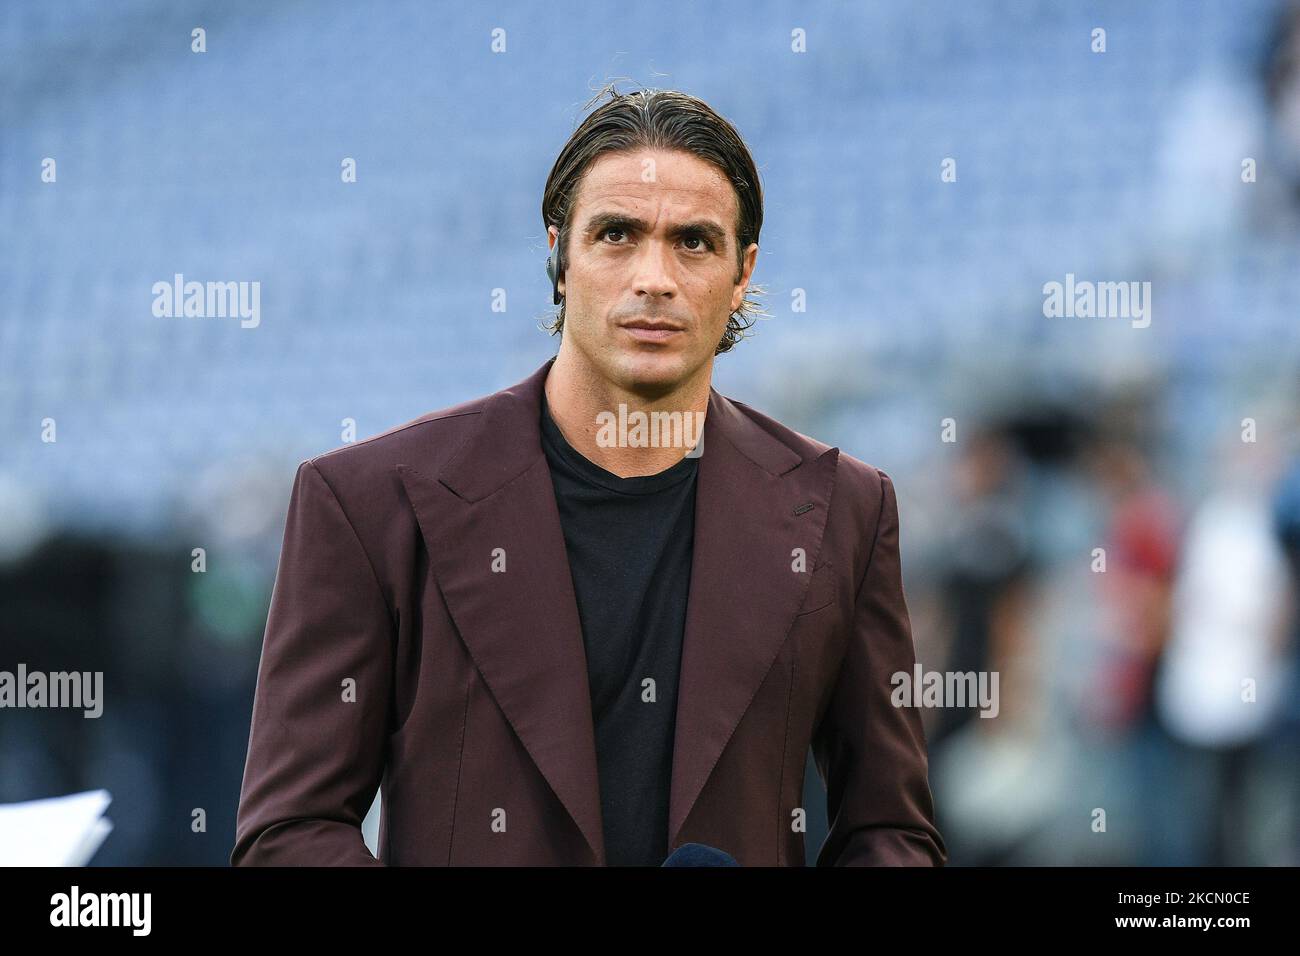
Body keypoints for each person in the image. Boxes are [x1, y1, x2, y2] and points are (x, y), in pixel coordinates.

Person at [230, 86, 946, 867]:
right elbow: (290, 833)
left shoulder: (846, 509)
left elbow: (890, 833)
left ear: (742, 275)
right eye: (617, 234)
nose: (654, 278)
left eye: (694, 243)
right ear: (559, 255)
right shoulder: (368, 502)